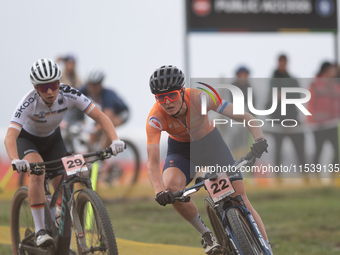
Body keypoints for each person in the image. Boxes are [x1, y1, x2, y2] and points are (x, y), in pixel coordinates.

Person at [146, 65, 273, 255]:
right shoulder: (155, 117)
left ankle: (267, 248)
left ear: (182, 91)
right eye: (160, 98)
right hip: (182, 151)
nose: (167, 102)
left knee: (241, 198)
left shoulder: (200, 97)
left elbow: (244, 115)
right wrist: (158, 192)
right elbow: (152, 162)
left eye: (172, 95)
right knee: (171, 187)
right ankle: (206, 234)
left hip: (212, 145)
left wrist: (259, 138)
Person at [4, 58, 125, 252]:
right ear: (36, 88)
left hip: (53, 140)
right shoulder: (28, 102)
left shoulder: (69, 93)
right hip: (28, 141)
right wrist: (15, 160)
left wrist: (115, 139)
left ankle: (64, 243)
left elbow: (100, 116)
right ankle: (40, 230)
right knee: (38, 172)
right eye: (44, 88)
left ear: (59, 82)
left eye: (53, 85)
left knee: (63, 184)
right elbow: (10, 137)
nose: (50, 91)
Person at [266, 54, 306, 182]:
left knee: (300, 149)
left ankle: (306, 177)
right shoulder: (273, 80)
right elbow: (271, 98)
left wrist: (281, 95)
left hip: (293, 119)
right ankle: (278, 179)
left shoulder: (293, 80)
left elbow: (298, 97)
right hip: (278, 121)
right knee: (278, 151)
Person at [78, 67, 129, 149]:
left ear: (100, 85)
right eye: (89, 85)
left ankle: (103, 155)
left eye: (94, 85)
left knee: (107, 128)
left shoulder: (108, 95)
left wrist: (95, 128)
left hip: (121, 113)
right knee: (92, 135)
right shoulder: (87, 89)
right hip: (106, 112)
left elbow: (108, 116)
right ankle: (90, 158)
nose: (91, 88)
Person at [307, 62, 340, 173]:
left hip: (332, 124)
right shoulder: (315, 84)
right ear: (326, 70)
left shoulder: (335, 85)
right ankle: (315, 174)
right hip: (319, 125)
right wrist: (310, 120)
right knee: (318, 151)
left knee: (337, 150)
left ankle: (334, 174)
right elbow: (310, 104)